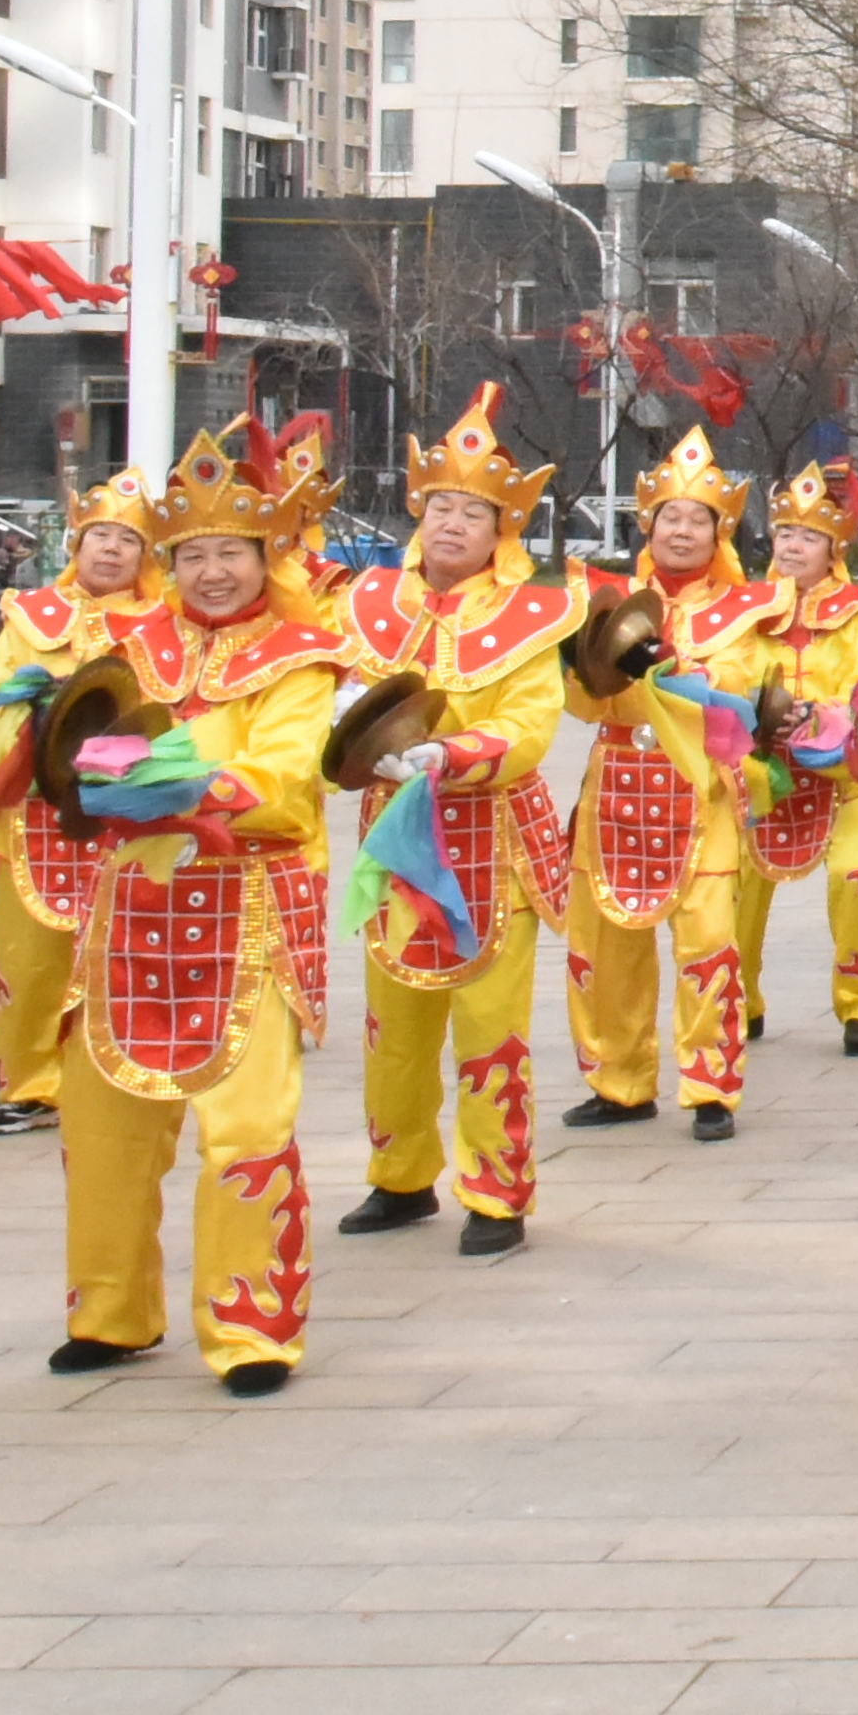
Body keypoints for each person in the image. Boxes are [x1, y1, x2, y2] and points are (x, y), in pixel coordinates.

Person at [40, 416, 347, 1389]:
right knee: (103, 1129)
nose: (214, 570)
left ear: (267, 556)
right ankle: (111, 1312)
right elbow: (74, 756)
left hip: (244, 917)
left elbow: (287, 781)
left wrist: (173, 777)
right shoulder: (123, 646)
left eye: (233, 552)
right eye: (196, 553)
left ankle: (252, 1329)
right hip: (126, 919)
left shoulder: (301, 657)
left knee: (247, 1130)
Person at [336, 390, 577, 1254]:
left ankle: (497, 1190)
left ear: (499, 530)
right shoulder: (362, 603)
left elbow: (531, 724)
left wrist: (456, 751)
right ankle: (398, 1177)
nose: (452, 524)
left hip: (491, 842)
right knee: (392, 1029)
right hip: (396, 840)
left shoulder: (530, 615)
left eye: (473, 512)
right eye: (441, 505)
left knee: (490, 1030)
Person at [554, 433, 754, 1135]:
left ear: (718, 532)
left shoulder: (745, 611)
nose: (682, 529)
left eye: (697, 519)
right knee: (608, 940)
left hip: (699, 782)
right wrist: (583, 665)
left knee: (706, 937)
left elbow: (737, 689)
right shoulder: (602, 602)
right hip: (615, 780)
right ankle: (619, 1081)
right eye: (670, 517)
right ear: (648, 525)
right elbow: (583, 705)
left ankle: (710, 1087)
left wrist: (673, 667)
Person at [0, 471, 170, 1143]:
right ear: (75, 545)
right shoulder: (29, 616)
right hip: (36, 810)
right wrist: (30, 732)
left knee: (120, 947)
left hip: (122, 808)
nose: (111, 550)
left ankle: (110, 1069)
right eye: (100, 536)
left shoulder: (165, 625)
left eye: (127, 540)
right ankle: (27, 1085)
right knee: (26, 958)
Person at [733, 460, 858, 1051]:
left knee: (855, 877)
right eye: (785, 534)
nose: (793, 547)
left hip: (840, 775)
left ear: (832, 548)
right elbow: (722, 678)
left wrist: (813, 716)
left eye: (809, 537)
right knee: (735, 887)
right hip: (762, 775)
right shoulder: (743, 614)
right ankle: (740, 998)